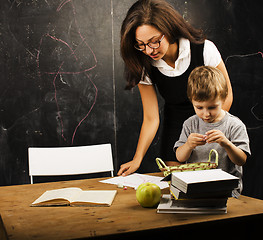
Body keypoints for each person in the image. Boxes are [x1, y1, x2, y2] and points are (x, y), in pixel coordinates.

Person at [117, 0, 233, 176]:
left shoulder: (204, 49)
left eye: (154, 41)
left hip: (211, 125)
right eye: (140, 44)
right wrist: (137, 158)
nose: (149, 50)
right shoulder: (143, 63)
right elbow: (151, 118)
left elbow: (227, 96)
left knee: (209, 188)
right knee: (176, 187)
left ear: (169, 29)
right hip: (176, 129)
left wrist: (206, 131)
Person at [175, 66, 250, 197]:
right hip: (195, 187)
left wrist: (226, 144)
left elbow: (241, 160)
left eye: (212, 107)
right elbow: (180, 157)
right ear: (191, 101)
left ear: (224, 98)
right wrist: (188, 145)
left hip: (226, 190)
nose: (206, 114)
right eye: (199, 107)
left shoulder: (234, 125)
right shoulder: (190, 124)